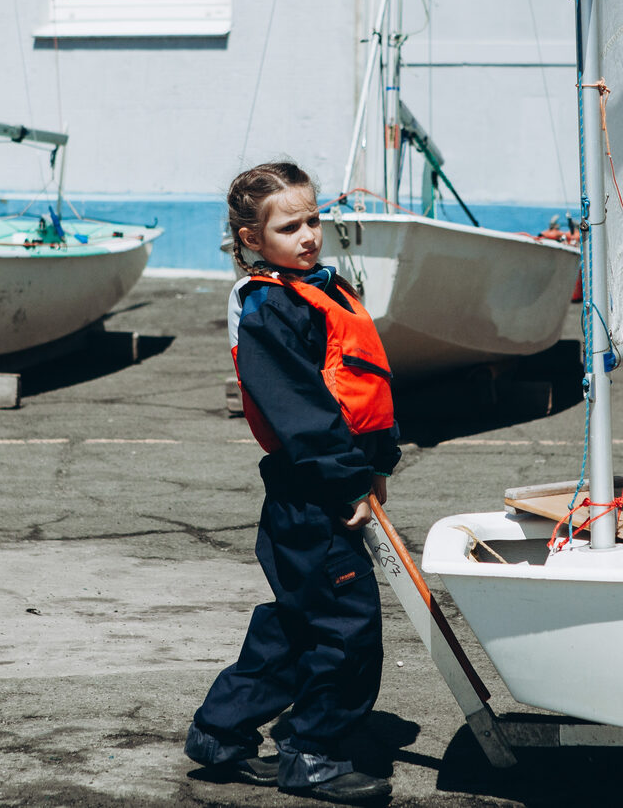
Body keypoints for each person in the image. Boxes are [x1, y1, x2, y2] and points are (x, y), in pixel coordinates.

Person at [184, 161, 399, 804]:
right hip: (310, 494)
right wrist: (345, 484)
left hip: (329, 483)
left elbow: (355, 387)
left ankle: (219, 734)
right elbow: (302, 413)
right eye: (289, 227)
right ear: (253, 240)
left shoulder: (321, 290)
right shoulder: (270, 308)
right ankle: (312, 752)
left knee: (299, 623)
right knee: (346, 627)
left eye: (313, 220)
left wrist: (376, 467)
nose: (309, 236)